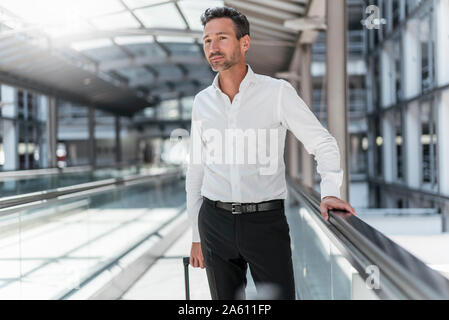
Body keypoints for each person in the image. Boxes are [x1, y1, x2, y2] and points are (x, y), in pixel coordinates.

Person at [185, 6, 357, 300]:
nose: (213, 47)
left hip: (265, 223)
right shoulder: (202, 102)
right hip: (214, 222)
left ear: (244, 43)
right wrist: (196, 236)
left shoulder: (277, 92)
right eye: (207, 40)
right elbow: (196, 170)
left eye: (222, 38)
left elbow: (323, 143)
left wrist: (329, 190)